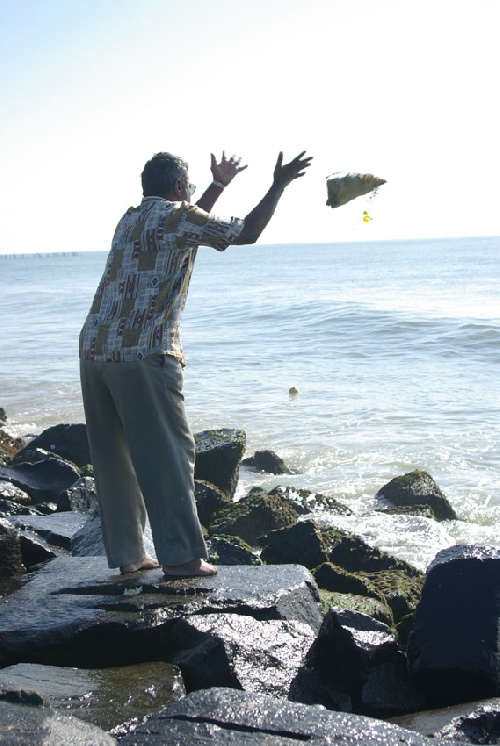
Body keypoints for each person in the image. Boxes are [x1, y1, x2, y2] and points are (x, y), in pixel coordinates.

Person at [79, 149, 312, 577]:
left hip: (95, 347)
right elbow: (246, 233)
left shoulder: (130, 218)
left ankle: (129, 556)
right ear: (178, 187)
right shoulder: (176, 216)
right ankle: (182, 557)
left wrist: (219, 186)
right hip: (144, 350)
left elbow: (187, 223)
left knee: (114, 458)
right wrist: (279, 185)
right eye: (187, 189)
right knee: (169, 454)